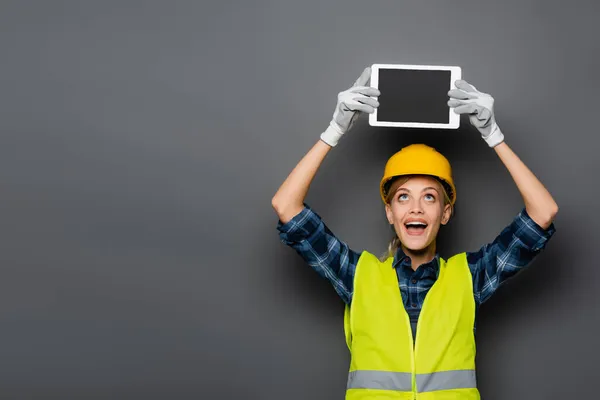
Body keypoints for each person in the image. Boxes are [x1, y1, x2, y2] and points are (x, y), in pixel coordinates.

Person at [271, 67, 558, 399]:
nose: (416, 209)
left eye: (430, 197)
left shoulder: (471, 277)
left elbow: (543, 212)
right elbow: (286, 205)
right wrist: (334, 130)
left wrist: (494, 135)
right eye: (403, 197)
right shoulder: (357, 276)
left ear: (445, 213)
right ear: (390, 213)